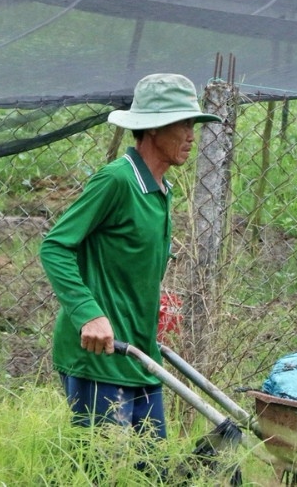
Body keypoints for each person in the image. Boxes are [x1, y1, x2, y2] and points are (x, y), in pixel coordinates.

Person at [40, 73, 221, 441]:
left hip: (140, 355)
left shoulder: (161, 189)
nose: (191, 135)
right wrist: (88, 313)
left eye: (193, 124)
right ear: (153, 128)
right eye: (182, 124)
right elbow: (55, 246)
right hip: (100, 356)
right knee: (103, 471)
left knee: (148, 469)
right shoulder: (117, 181)